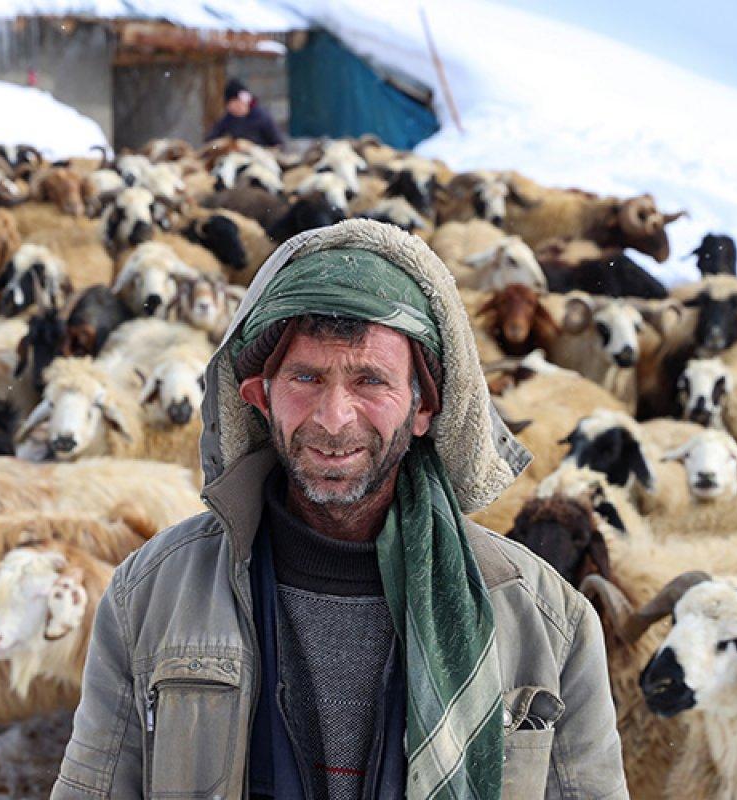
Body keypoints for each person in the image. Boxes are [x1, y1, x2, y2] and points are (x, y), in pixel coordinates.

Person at [51, 219, 629, 799]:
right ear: (259, 395)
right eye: (306, 376)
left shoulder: (546, 624)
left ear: (424, 406)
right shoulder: (151, 597)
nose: (334, 419)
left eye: (370, 381)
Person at [206, 78, 285, 148]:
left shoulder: (262, 117)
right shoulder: (227, 120)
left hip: (260, 156)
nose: (237, 107)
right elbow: (211, 144)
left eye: (239, 103)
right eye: (232, 105)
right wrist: (218, 146)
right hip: (234, 156)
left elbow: (278, 144)